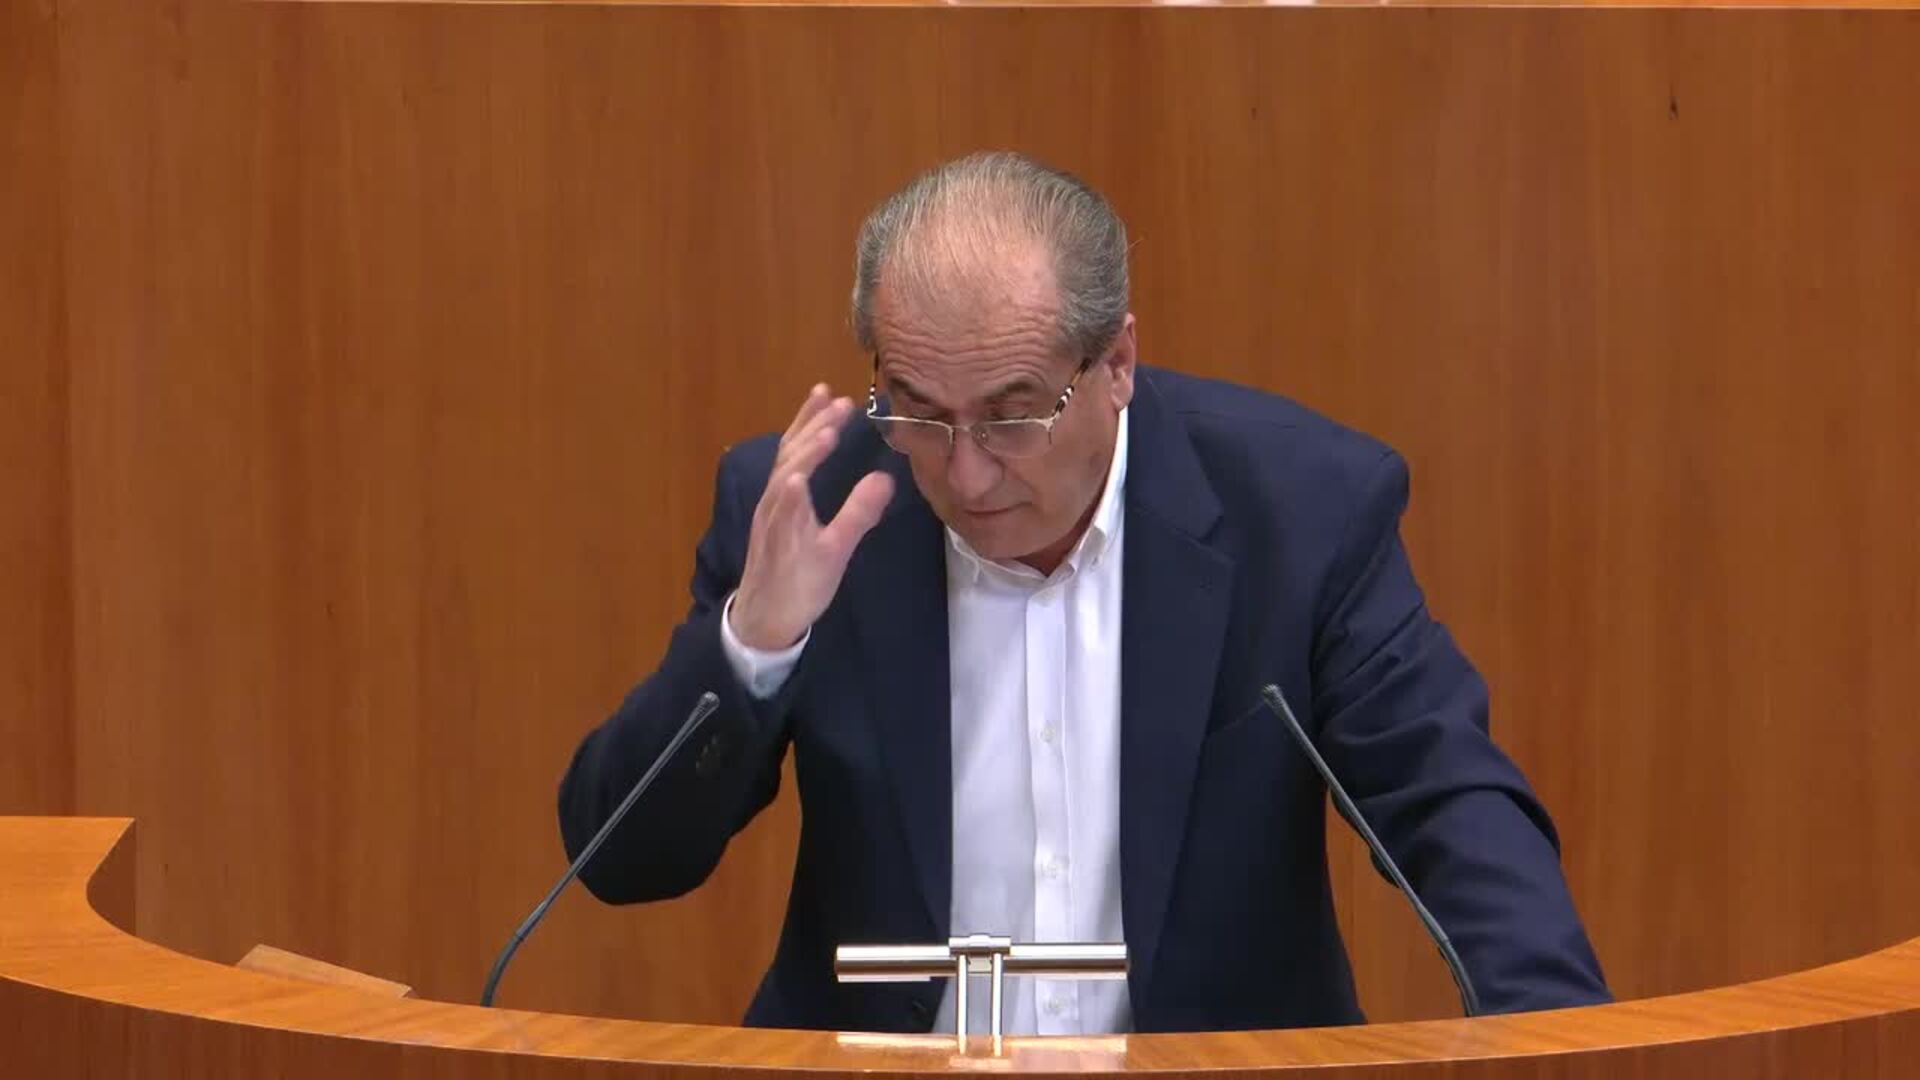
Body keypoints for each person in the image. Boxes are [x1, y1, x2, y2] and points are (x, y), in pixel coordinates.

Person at [557, 151, 1609, 1035]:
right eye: (918, 412)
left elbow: (1445, 800)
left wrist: (1558, 1045)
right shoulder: (815, 511)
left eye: (1011, 415)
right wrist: (755, 641)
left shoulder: (1300, 512)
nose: (966, 475)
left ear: (1117, 364)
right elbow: (622, 862)